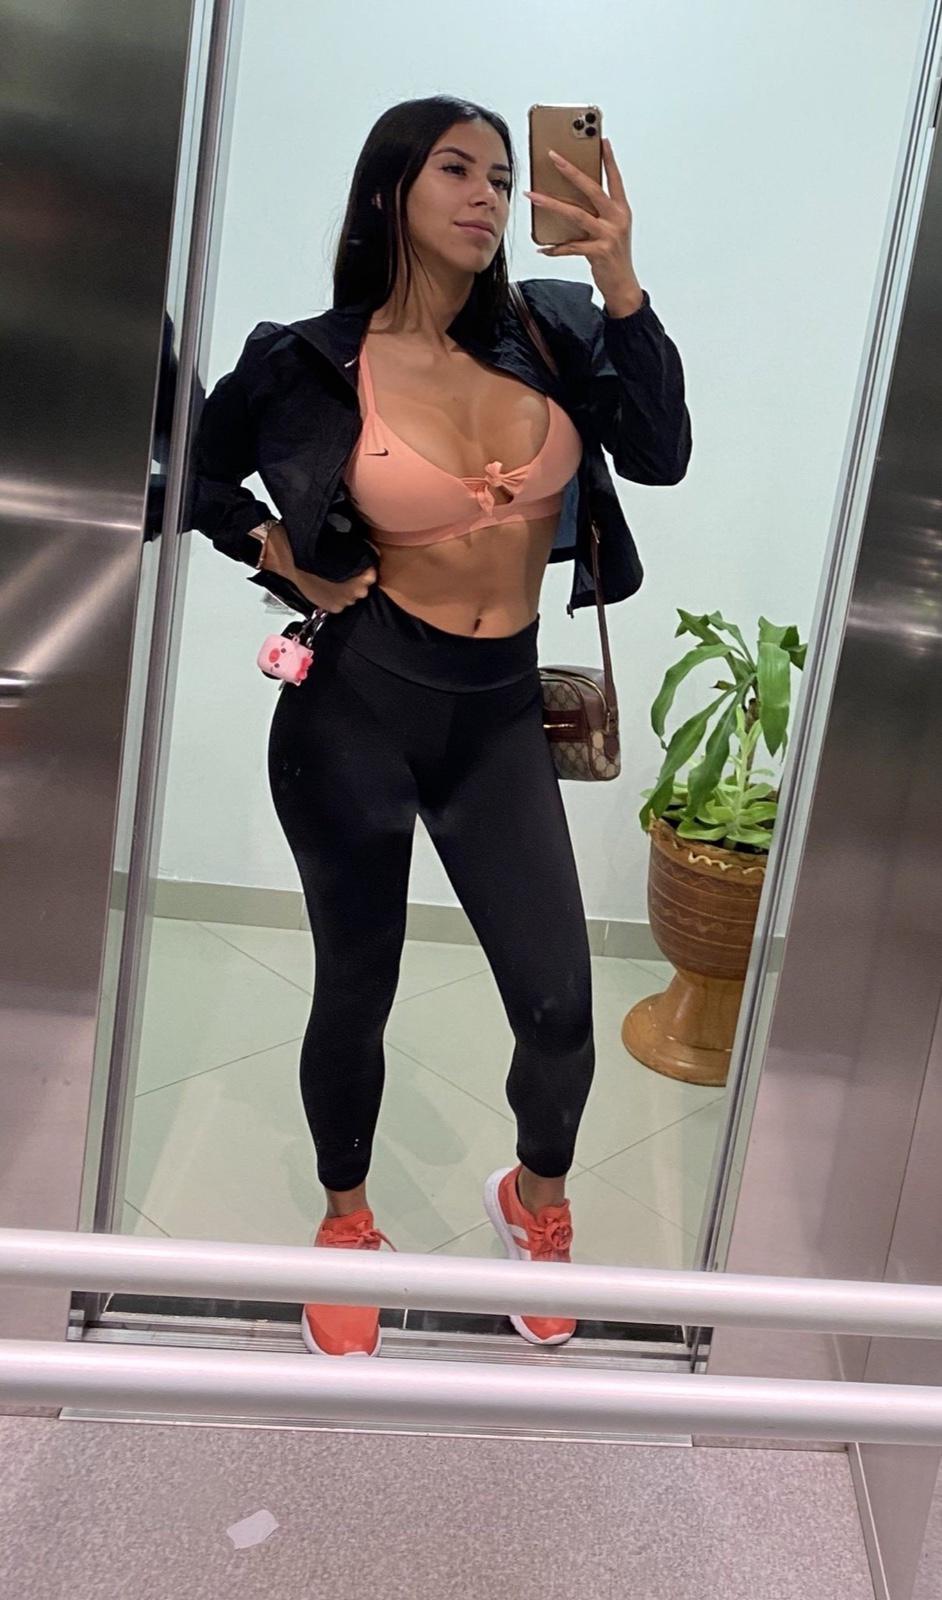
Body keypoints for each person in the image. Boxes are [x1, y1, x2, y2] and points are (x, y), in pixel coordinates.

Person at [189, 95, 691, 1358]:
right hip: (356, 707)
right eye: (457, 170)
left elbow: (662, 450)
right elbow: (195, 469)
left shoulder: (553, 332)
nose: (489, 196)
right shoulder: (312, 359)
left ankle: (536, 1196)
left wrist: (620, 278)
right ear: (388, 193)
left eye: (505, 178)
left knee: (560, 1007)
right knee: (358, 985)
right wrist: (275, 552)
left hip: (497, 720)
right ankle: (347, 1220)